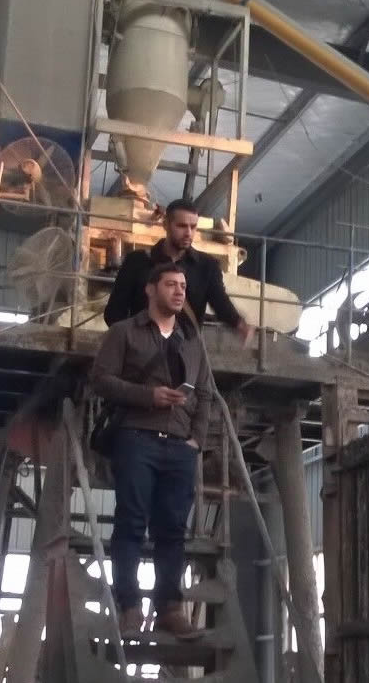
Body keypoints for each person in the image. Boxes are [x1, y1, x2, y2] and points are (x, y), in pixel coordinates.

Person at [91, 262, 211, 639]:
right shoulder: (124, 332)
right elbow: (100, 380)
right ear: (150, 289)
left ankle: (169, 610)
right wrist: (148, 396)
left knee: (172, 530)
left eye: (183, 286)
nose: (179, 291)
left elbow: (206, 392)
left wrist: (197, 440)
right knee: (131, 523)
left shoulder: (192, 341)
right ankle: (129, 606)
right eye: (171, 284)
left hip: (180, 446)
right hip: (136, 438)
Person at [104, 198, 253, 341]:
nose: (188, 233)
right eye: (181, 226)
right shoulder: (137, 262)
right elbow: (114, 311)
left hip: (185, 350)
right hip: (143, 348)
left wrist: (238, 324)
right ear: (166, 225)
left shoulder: (207, 266)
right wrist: (131, 341)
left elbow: (220, 302)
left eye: (193, 227)